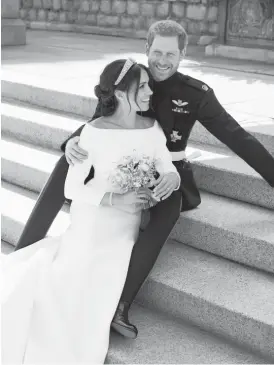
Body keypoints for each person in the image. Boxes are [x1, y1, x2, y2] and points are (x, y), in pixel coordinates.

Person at [15, 20, 274, 340]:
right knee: (65, 164)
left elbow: (238, 138)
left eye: (171, 54)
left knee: (170, 206)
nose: (163, 61)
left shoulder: (196, 94)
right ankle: (23, 249)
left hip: (168, 169)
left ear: (183, 55)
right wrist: (72, 141)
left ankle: (121, 305)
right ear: (147, 50)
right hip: (123, 162)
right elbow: (100, 121)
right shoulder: (130, 78)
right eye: (157, 52)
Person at [1, 59, 181, 364]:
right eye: (144, 85)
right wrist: (115, 198)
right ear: (123, 93)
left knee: (103, 282)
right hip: (93, 221)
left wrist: (172, 178)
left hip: (125, 229)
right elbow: (72, 188)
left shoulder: (153, 128)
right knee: (70, 289)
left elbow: (166, 165)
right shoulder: (94, 131)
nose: (151, 91)